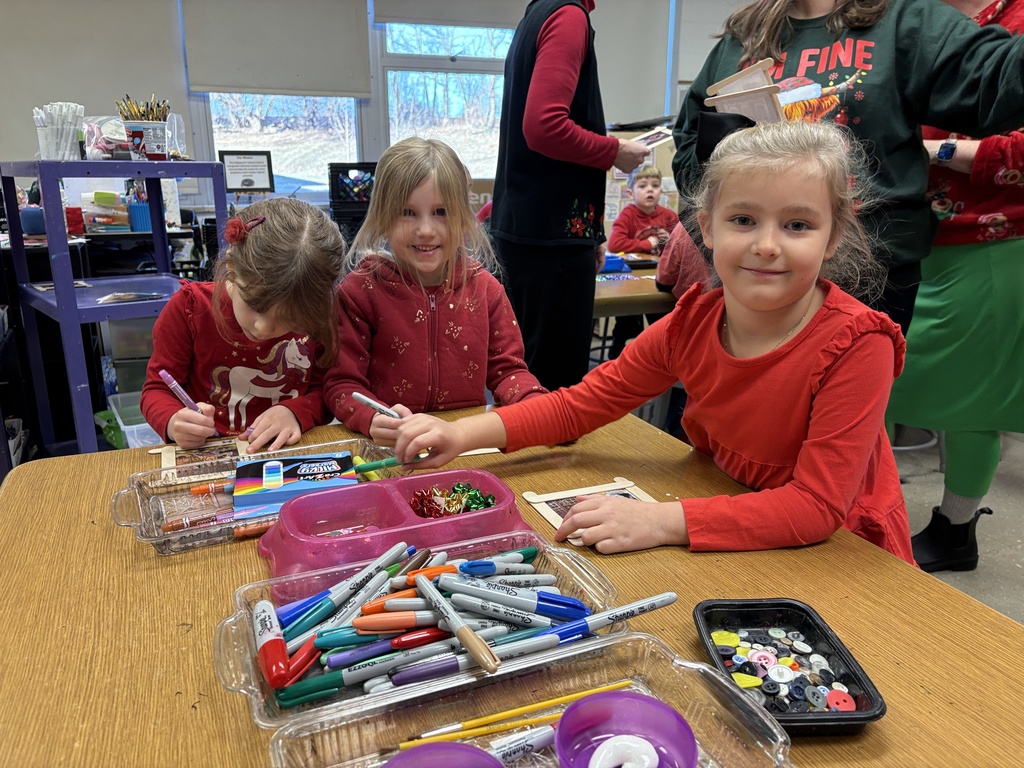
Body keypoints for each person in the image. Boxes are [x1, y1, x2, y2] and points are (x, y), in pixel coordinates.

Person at [387, 121, 915, 565]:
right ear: (706, 228)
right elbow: (579, 406)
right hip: (730, 521)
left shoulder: (858, 343)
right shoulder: (693, 323)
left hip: (842, 555)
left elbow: (815, 508)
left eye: (797, 224)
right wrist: (465, 436)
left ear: (834, 237)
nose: (767, 245)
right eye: (743, 220)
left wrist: (662, 520)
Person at [672, 0, 1024, 336]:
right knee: (756, 396)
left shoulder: (907, 22)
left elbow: (996, 83)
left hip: (871, 280)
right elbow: (695, 149)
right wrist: (723, 238)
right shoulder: (747, 35)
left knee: (846, 395)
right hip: (756, 275)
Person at [885, 0, 1024, 573]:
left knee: (971, 401)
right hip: (909, 232)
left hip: (994, 236)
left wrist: (922, 151)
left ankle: (956, 528)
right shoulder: (910, 19)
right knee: (876, 380)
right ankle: (871, 512)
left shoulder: (1014, 22)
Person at [322, 137, 547, 442]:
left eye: (440, 212)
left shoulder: (486, 290)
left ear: (464, 219)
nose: (426, 229)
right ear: (383, 219)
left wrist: (536, 405)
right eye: (408, 212)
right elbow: (341, 384)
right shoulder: (359, 293)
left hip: (463, 443)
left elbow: (509, 372)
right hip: (391, 449)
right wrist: (371, 419)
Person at [491, 0, 650, 390]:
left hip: (534, 233)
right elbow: (544, 127)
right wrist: (615, 152)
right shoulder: (568, 15)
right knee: (553, 389)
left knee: (523, 379)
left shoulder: (539, 13)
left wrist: (591, 232)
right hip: (550, 242)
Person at [141, 198, 344, 452]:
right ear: (231, 267)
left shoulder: (319, 315)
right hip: (208, 451)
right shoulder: (189, 309)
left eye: (290, 318)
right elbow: (157, 389)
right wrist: (173, 421)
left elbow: (327, 389)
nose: (263, 328)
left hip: (286, 453)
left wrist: (296, 412)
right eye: (256, 306)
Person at [606, 164, 680, 358]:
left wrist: (669, 241)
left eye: (655, 186)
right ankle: (617, 354)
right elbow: (614, 244)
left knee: (662, 319)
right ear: (631, 192)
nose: (650, 190)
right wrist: (647, 244)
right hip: (631, 278)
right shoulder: (628, 215)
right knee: (628, 320)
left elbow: (681, 244)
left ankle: (659, 356)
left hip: (658, 277)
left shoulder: (669, 216)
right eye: (643, 186)